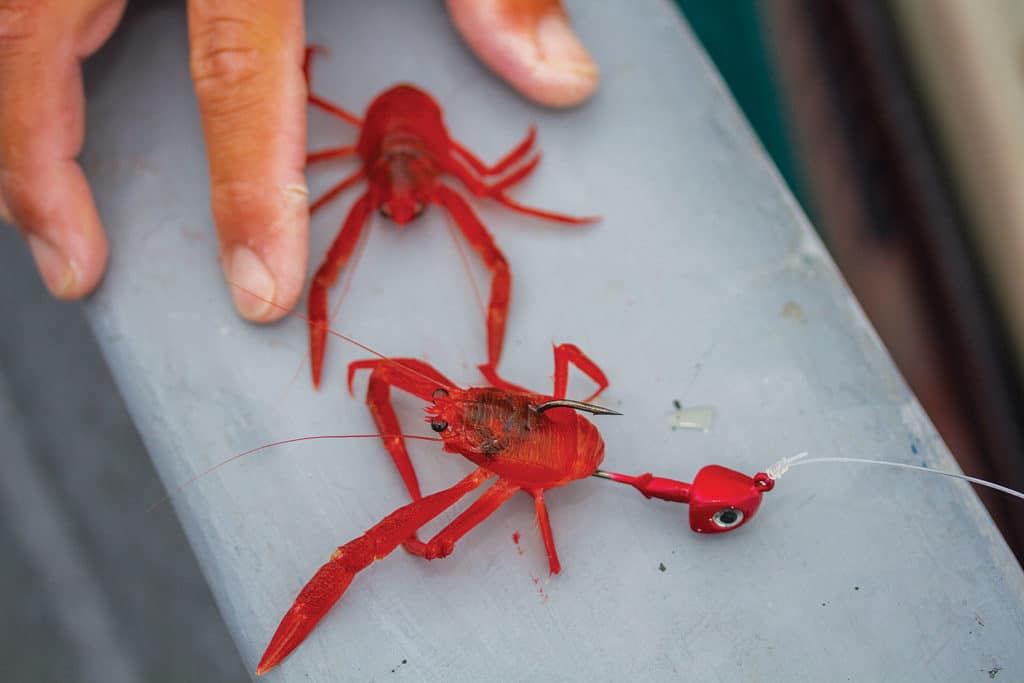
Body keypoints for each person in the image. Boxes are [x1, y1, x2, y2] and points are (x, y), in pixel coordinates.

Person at [0, 0, 598, 321]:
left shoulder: (378, 182)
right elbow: (491, 187)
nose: (401, 208)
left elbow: (492, 196)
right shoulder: (399, 184)